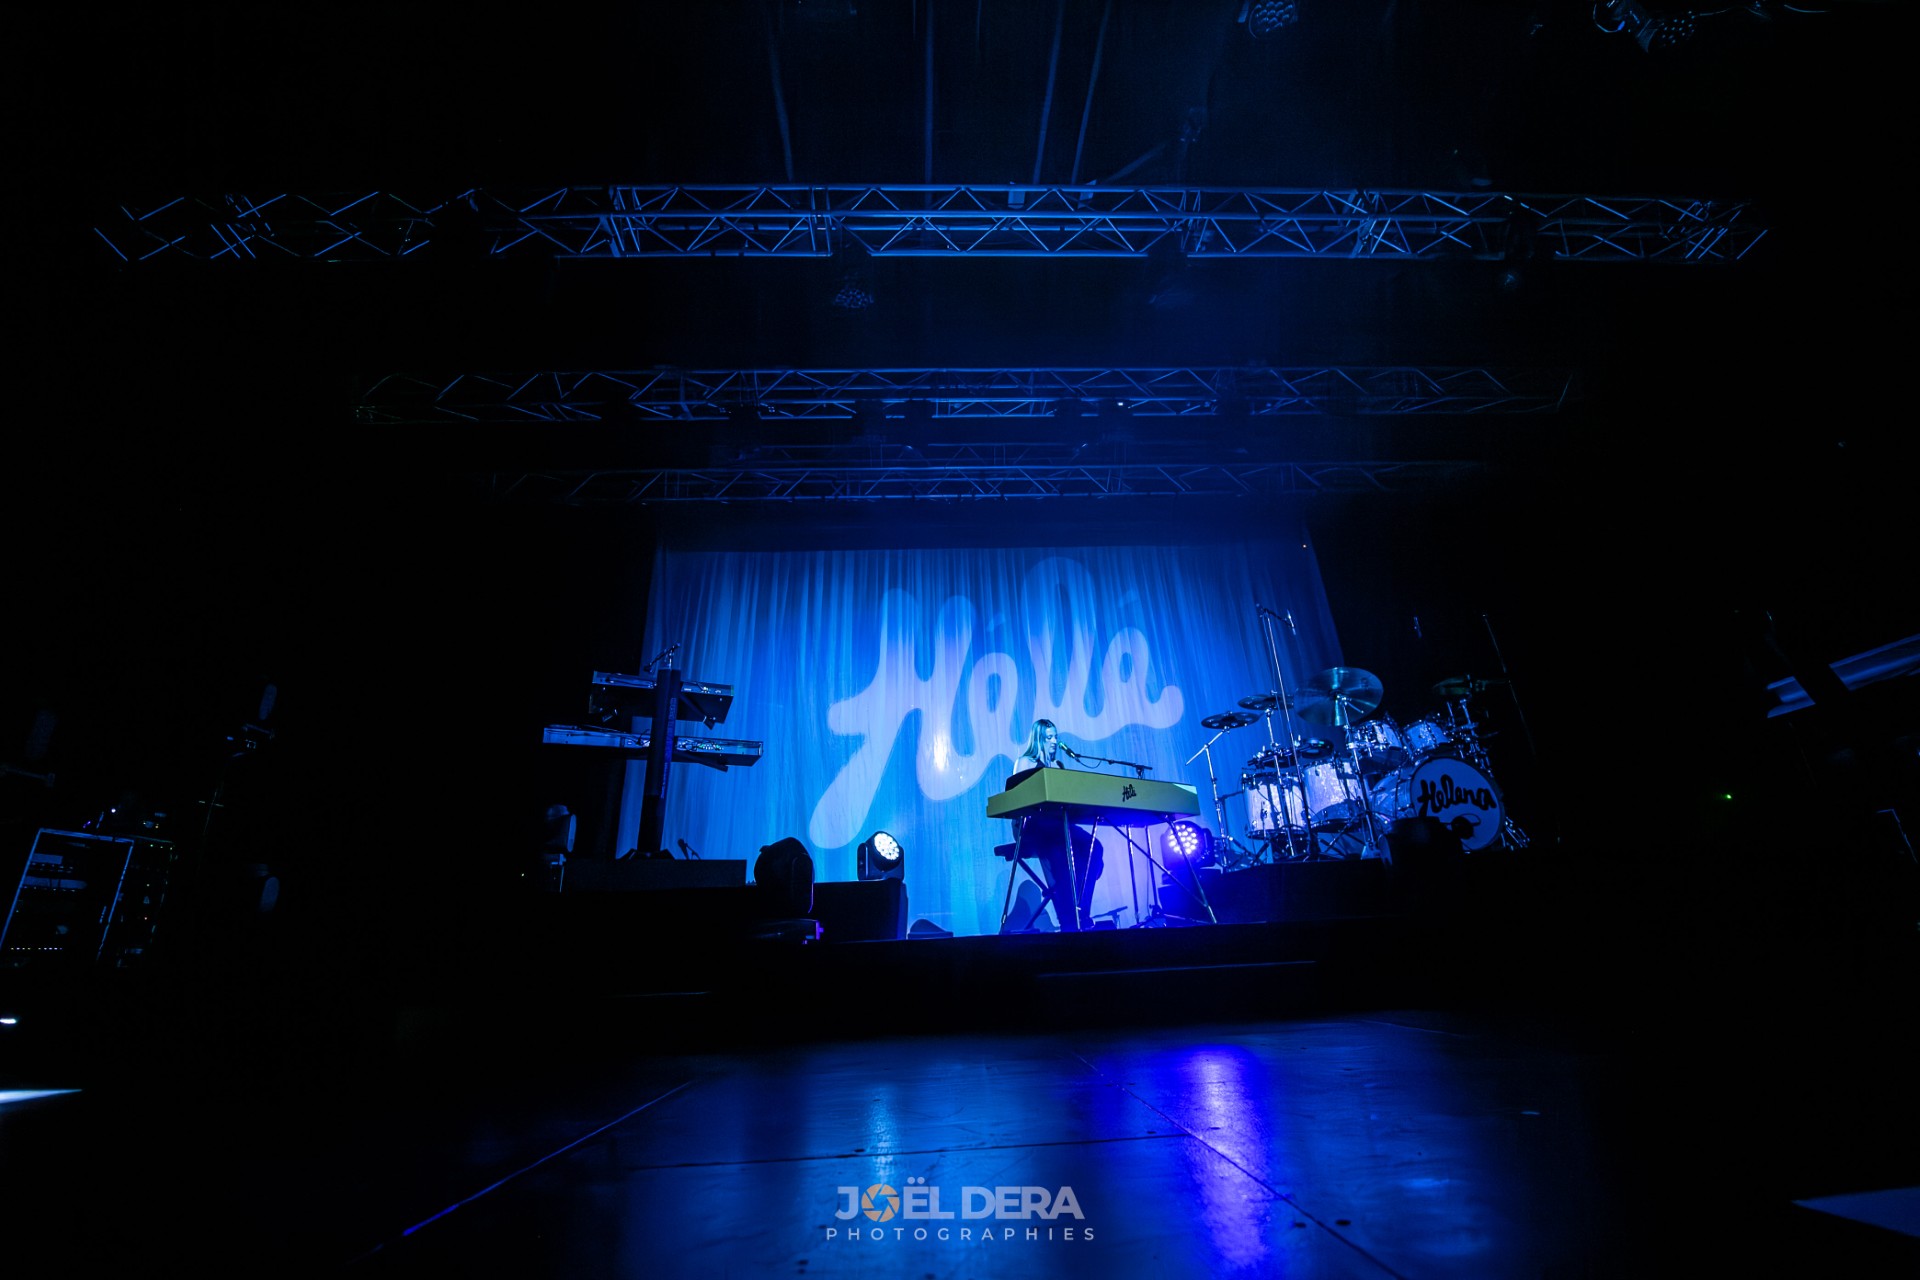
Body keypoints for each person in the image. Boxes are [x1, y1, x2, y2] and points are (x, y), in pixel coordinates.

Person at [1005, 718, 1106, 931]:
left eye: (1055, 737)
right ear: (1038, 739)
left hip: (1059, 826)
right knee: (1060, 851)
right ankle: (1069, 920)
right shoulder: (1025, 762)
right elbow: (1017, 798)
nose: (1054, 741)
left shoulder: (1059, 765)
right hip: (1034, 827)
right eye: (1049, 737)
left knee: (1094, 847)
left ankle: (1080, 910)